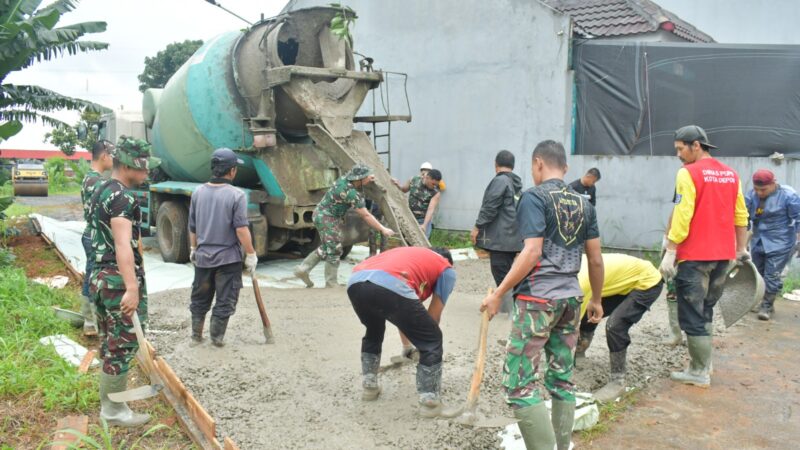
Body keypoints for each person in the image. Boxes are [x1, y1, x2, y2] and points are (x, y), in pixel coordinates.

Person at [480, 140, 604, 450]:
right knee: (562, 380)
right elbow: (597, 258)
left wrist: (499, 292)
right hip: (571, 300)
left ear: (537, 164)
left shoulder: (533, 198)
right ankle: (562, 446)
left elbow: (532, 251)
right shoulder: (584, 203)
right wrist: (597, 299)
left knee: (519, 384)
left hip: (538, 299)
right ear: (565, 167)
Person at [659, 125, 749, 388]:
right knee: (706, 309)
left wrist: (671, 250)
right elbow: (740, 215)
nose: (678, 154)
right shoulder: (732, 175)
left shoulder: (687, 173)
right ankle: (704, 363)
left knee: (692, 314)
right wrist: (741, 249)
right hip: (723, 257)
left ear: (695, 145)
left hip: (695, 257)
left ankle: (698, 372)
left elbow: (682, 213)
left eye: (680, 149)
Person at [89, 136, 159, 427]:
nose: (147, 174)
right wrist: (132, 287)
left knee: (110, 342)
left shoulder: (102, 188)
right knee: (123, 345)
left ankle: (111, 407)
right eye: (144, 168)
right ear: (131, 165)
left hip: (100, 277)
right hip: (117, 281)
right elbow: (122, 245)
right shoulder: (123, 197)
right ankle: (114, 412)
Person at [346, 246, 459, 418]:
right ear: (448, 261)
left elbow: (404, 315)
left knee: (373, 330)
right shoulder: (446, 268)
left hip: (356, 282)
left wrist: (407, 348)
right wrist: (426, 345)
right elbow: (433, 316)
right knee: (432, 339)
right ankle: (430, 403)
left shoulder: (412, 259)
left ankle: (369, 387)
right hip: (390, 283)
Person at [188, 148, 257, 347]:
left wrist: (194, 248)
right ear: (232, 171)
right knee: (225, 299)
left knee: (200, 297)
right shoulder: (237, 195)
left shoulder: (198, 192)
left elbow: (192, 226)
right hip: (228, 259)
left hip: (202, 257)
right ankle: (216, 339)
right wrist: (251, 254)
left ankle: (196, 336)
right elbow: (241, 229)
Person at [574, 253, 664, 402]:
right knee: (586, 315)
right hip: (620, 283)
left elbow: (571, 327)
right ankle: (579, 354)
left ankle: (618, 380)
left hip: (647, 281)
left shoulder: (580, 283)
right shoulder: (569, 268)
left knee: (615, 326)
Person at [293, 164, 395, 288]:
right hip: (326, 217)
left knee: (328, 246)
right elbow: (366, 215)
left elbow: (359, 179)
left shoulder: (346, 179)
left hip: (324, 214)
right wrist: (382, 229)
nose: (370, 178)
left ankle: (303, 269)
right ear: (360, 178)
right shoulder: (351, 192)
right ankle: (331, 283)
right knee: (335, 248)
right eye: (367, 176)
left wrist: (370, 177)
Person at [470, 150, 522, 315]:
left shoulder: (500, 181)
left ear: (495, 164)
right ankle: (512, 307)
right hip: (513, 237)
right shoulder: (516, 183)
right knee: (508, 271)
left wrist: (478, 226)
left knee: (501, 272)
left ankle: (510, 311)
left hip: (501, 239)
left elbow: (491, 206)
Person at [745, 169, 800, 321]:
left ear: (773, 184)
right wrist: (742, 244)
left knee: (772, 275)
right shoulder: (750, 196)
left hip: (780, 242)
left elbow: (799, 219)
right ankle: (761, 299)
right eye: (756, 189)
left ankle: (766, 306)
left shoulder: (788, 196)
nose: (759, 193)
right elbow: (744, 219)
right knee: (758, 273)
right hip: (758, 241)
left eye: (763, 189)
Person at [79, 139, 114, 336]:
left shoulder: (89, 178)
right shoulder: (97, 182)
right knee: (94, 278)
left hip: (89, 234)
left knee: (90, 273)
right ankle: (91, 322)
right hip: (95, 236)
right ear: (104, 156)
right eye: (112, 156)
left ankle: (90, 320)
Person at [394, 168, 443, 238]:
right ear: (427, 178)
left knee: (422, 242)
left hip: (423, 220)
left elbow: (430, 210)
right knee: (407, 240)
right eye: (433, 184)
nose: (434, 186)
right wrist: (398, 185)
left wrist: (424, 225)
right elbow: (404, 189)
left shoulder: (436, 192)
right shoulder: (414, 180)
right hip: (410, 217)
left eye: (436, 184)